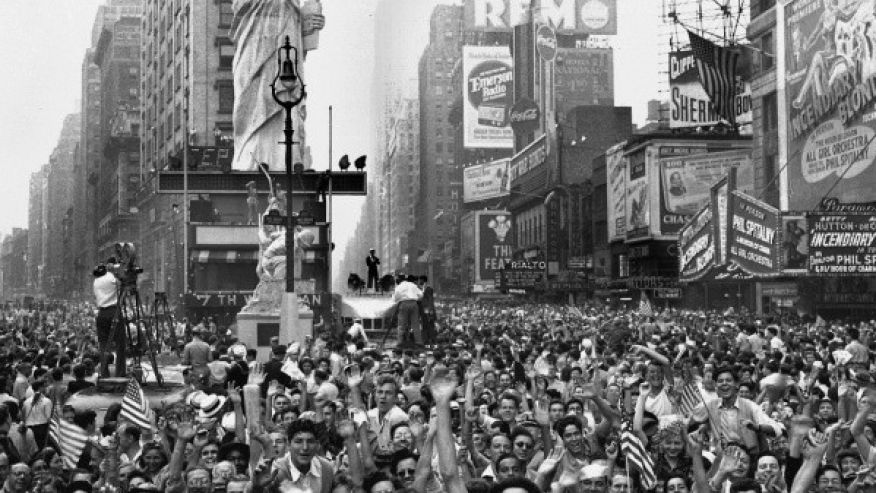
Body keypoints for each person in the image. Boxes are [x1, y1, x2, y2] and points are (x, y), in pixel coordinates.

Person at [92, 261, 125, 378]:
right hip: (114, 311)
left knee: (103, 346)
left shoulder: (96, 282)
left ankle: (104, 373)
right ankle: (120, 373)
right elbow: (122, 283)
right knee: (121, 344)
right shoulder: (110, 277)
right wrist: (116, 272)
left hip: (101, 314)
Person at [392, 275, 423, 347]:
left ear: (399, 281)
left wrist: (399, 301)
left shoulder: (399, 287)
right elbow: (421, 295)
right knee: (416, 324)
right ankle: (419, 342)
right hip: (414, 304)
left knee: (401, 325)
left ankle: (399, 342)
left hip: (404, 304)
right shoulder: (412, 285)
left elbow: (395, 298)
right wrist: (416, 299)